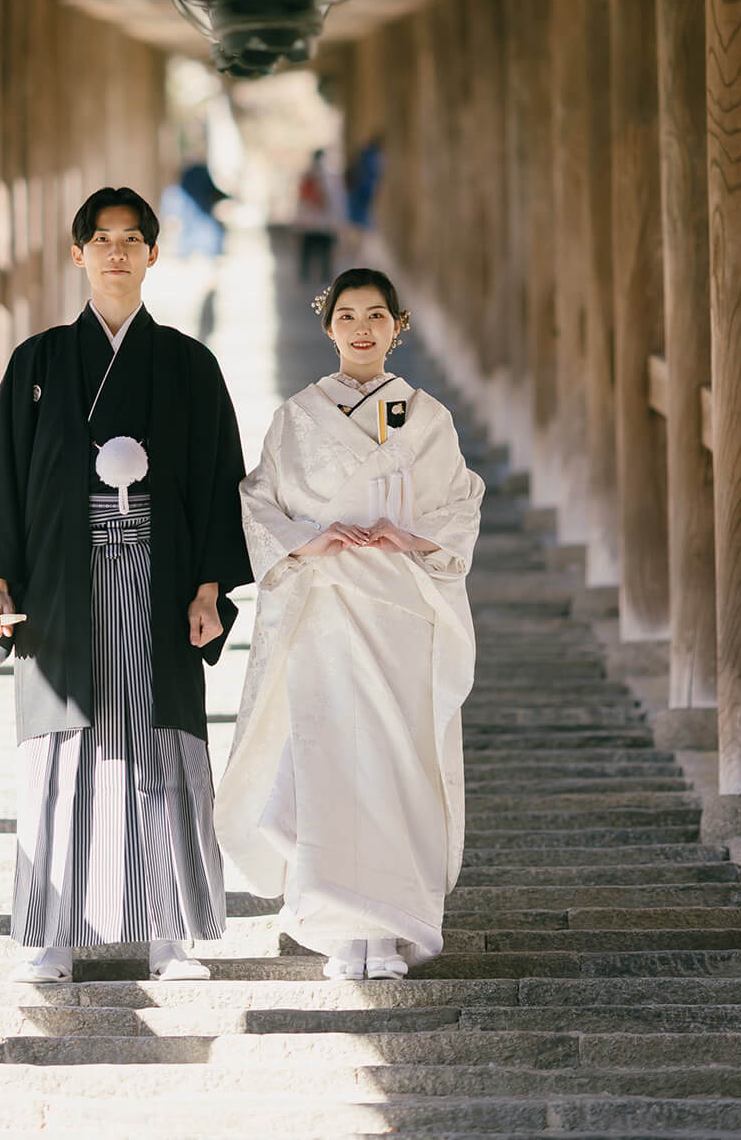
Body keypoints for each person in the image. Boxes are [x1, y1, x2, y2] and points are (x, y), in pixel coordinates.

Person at [0, 187, 251, 985]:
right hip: (62, 585)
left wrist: (209, 590)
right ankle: (50, 936)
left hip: (161, 573)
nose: (117, 252)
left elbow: (217, 484)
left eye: (132, 238)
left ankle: (168, 935)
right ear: (77, 254)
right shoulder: (38, 363)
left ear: (153, 253)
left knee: (159, 748)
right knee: (60, 752)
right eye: (102, 239)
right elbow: (3, 481)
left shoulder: (188, 364)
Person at [215, 267, 483, 981]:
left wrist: (409, 535)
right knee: (329, 755)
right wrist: (310, 538)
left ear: (400, 326)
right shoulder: (297, 416)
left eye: (376, 316)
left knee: (395, 759)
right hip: (324, 606)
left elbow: (459, 504)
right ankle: (337, 923)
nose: (362, 328)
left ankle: (390, 927)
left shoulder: (428, 418)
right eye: (347, 316)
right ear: (328, 327)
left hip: (398, 607)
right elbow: (259, 498)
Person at [294, 148, 345, 284]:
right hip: (320, 224)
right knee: (322, 255)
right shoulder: (329, 177)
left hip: (313, 224)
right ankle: (321, 281)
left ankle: (309, 279)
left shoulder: (309, 176)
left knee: (310, 254)